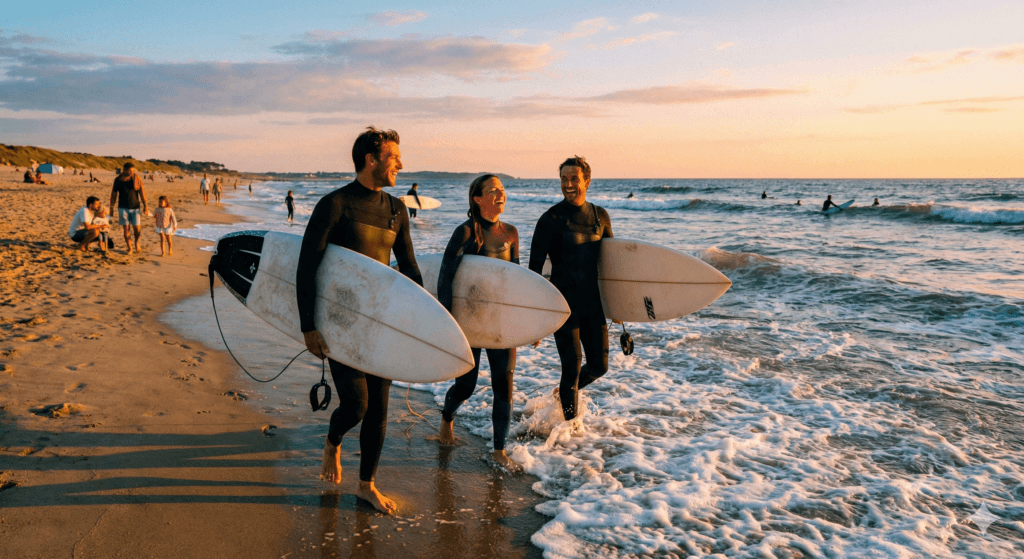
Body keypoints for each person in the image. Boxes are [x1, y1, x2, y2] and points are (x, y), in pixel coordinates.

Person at [296, 126, 418, 514]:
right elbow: (306, 268)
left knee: (380, 409)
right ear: (371, 160)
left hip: (380, 323)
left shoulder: (397, 210)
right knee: (357, 405)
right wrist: (308, 326)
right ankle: (333, 441)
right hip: (340, 322)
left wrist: (423, 321)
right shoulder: (335, 205)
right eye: (393, 157)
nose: (401, 164)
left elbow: (410, 270)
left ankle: (367, 484)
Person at [437, 175, 521, 471]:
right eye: (493, 190)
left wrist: (530, 323)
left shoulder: (510, 233)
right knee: (466, 386)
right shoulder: (465, 232)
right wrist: (448, 321)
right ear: (477, 198)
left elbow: (518, 282)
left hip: (499, 323)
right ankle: (447, 418)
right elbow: (445, 277)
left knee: (504, 385)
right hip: (470, 323)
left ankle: (500, 451)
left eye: (502, 189)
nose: (501, 194)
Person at [529, 156, 614, 422]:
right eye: (564, 179)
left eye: (573, 179)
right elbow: (533, 271)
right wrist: (537, 319)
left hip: (593, 304)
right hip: (563, 305)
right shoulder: (550, 219)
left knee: (600, 367)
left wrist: (619, 306)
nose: (568, 184)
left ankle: (562, 393)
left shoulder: (601, 216)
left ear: (587, 181)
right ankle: (571, 431)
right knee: (572, 367)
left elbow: (612, 267)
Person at [109, 162, 148, 254]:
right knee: (126, 229)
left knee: (137, 229)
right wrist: (111, 207)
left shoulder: (136, 178)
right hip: (123, 208)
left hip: (135, 207)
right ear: (124, 170)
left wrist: (145, 205)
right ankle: (129, 247)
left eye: (133, 171)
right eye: (130, 171)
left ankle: (136, 242)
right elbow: (114, 194)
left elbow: (142, 192)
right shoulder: (118, 180)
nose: (132, 172)